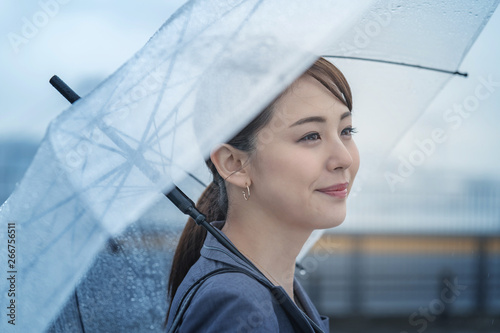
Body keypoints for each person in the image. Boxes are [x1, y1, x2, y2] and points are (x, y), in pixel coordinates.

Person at [165, 57, 360, 332]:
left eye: (346, 130)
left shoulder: (266, 285)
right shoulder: (239, 305)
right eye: (311, 136)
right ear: (234, 164)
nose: (344, 158)